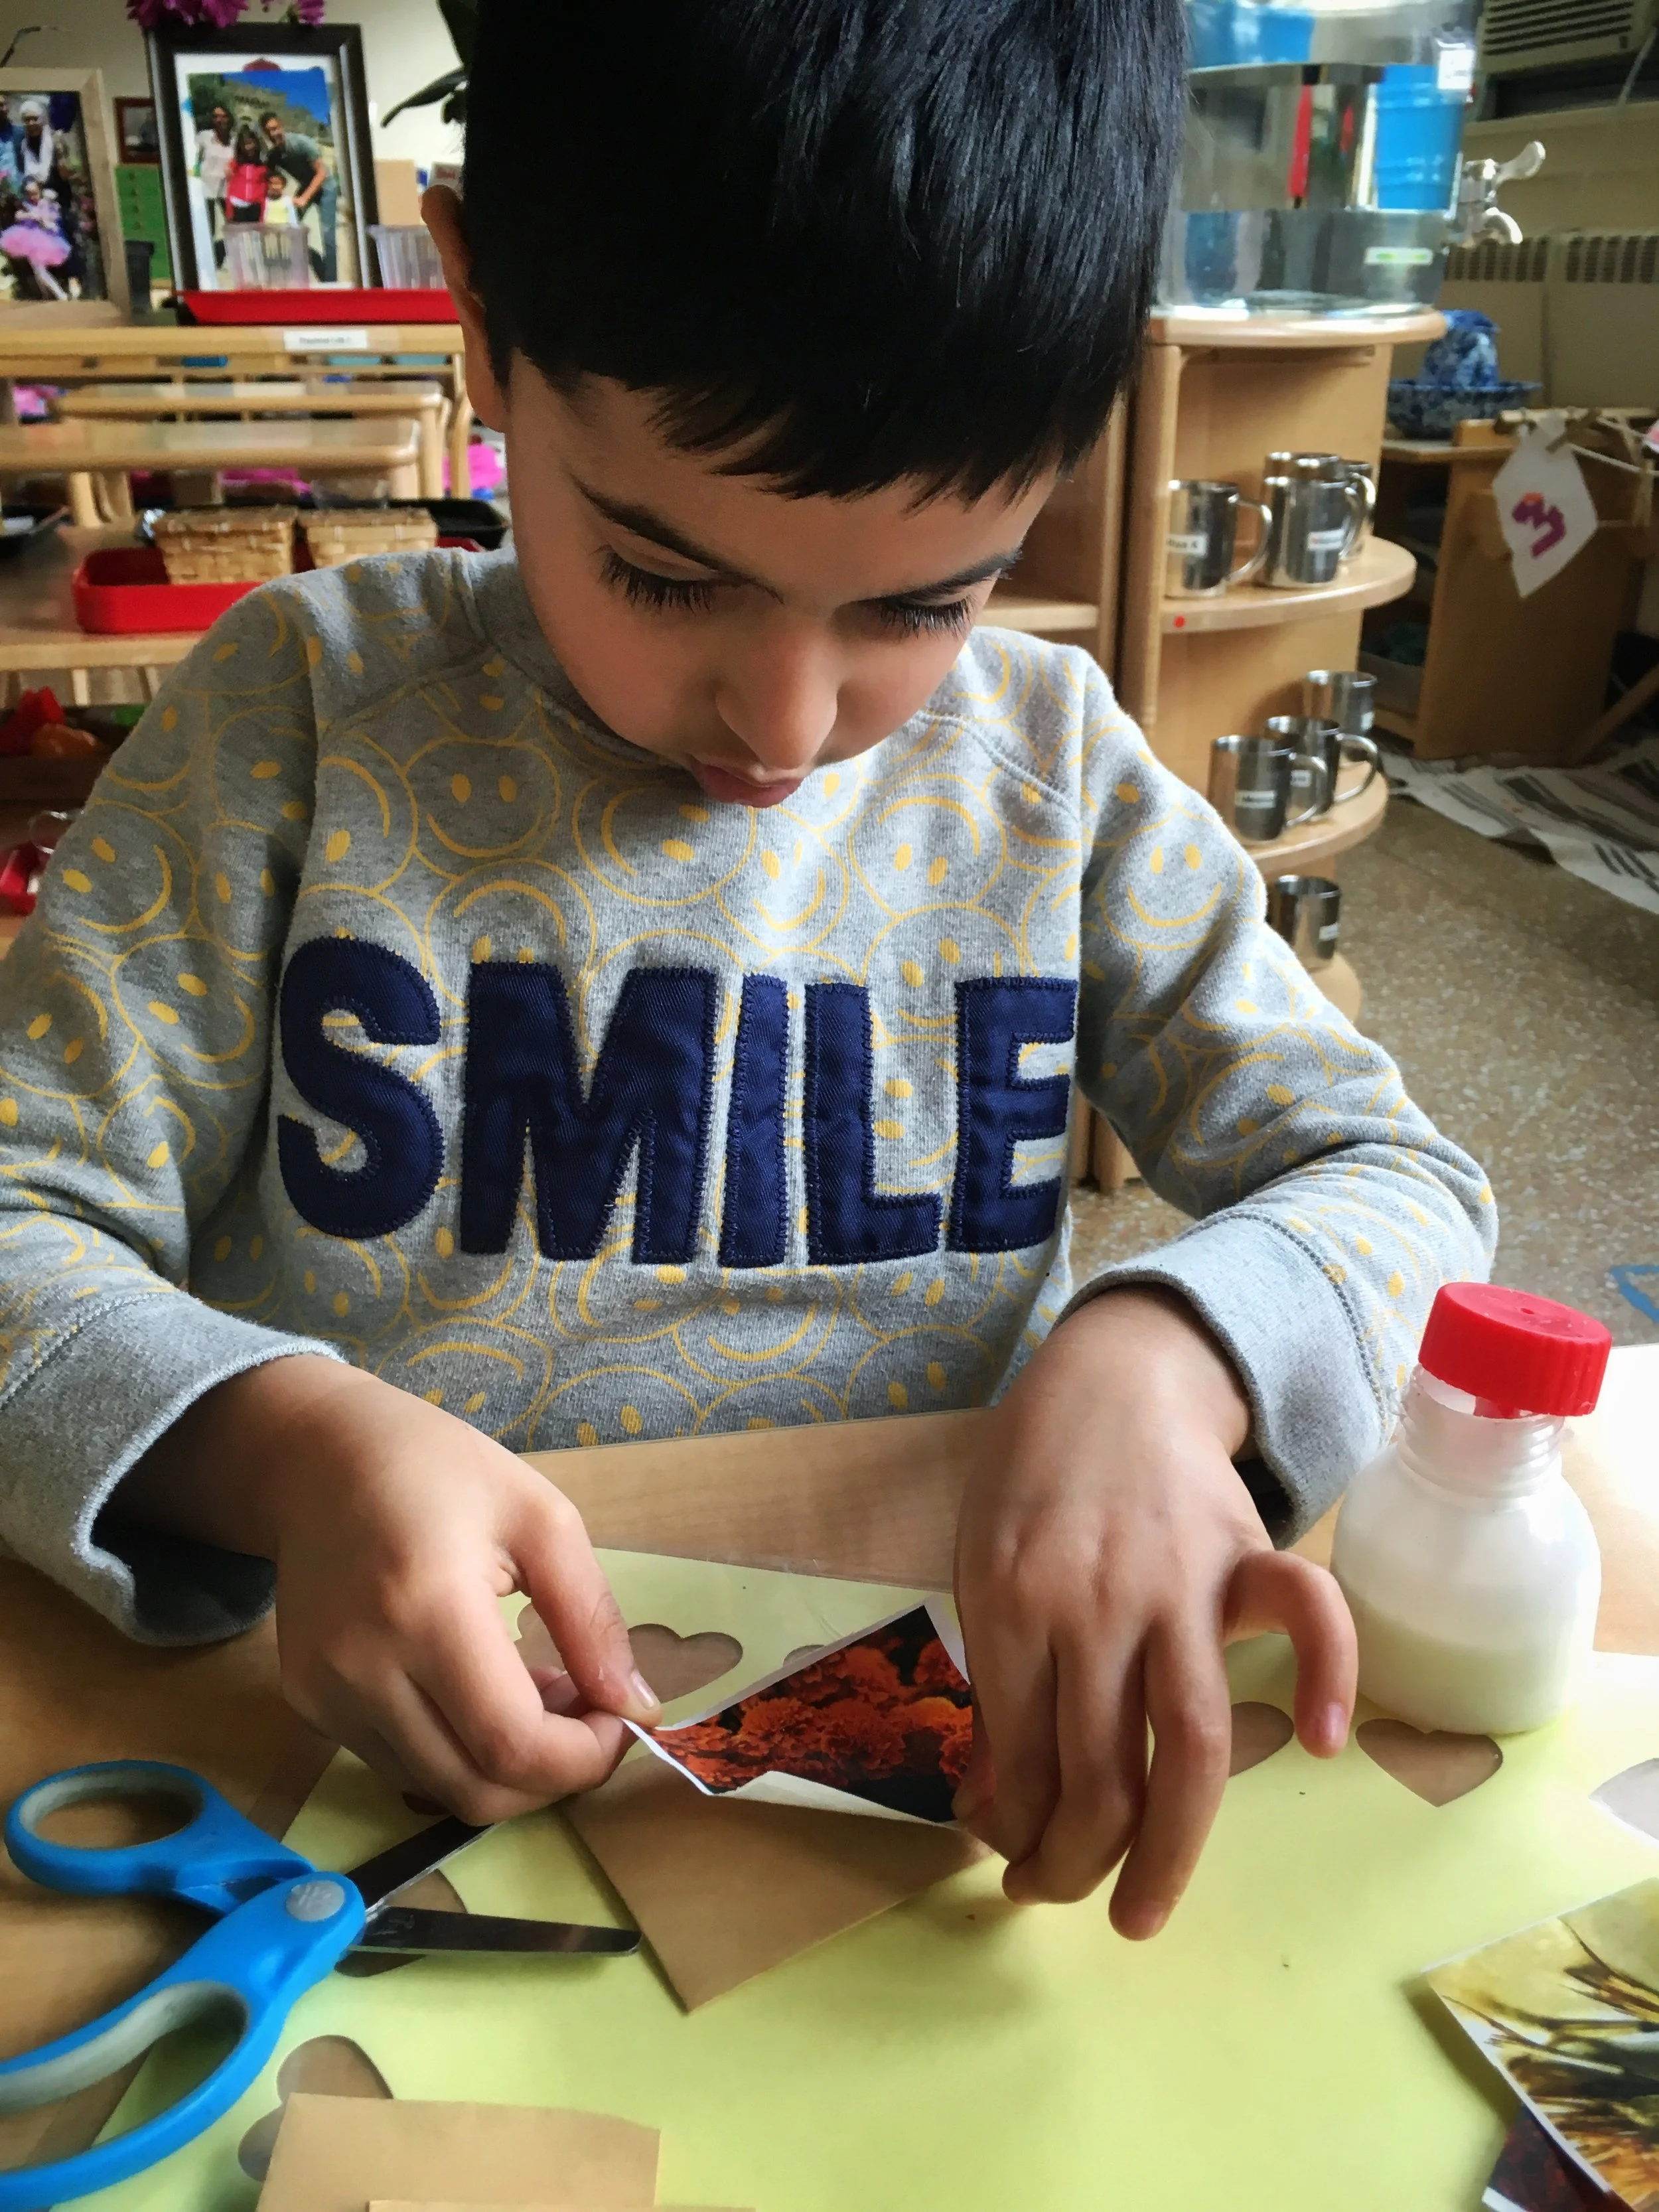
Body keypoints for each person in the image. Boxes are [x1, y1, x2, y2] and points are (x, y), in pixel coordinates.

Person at [0, 0, 1493, 1937]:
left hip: (883, 1820)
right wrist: (274, 1451)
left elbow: (1397, 1188)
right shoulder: (297, 720)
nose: (785, 727)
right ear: (482, 318)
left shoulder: (1053, 785)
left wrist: (1168, 1354)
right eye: (661, 569)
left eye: (919, 602)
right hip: (345, 1796)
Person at [259, 110, 337, 281]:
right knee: (289, 225)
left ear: (282, 126)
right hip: (306, 185)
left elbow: (322, 172)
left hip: (326, 188)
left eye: (275, 128)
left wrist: (304, 198)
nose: (273, 134)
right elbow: (264, 176)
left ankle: (332, 281)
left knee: (328, 234)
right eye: (269, 131)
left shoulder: (301, 143)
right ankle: (288, 266)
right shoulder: (274, 155)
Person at [0, 178, 70, 299]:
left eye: (35, 193)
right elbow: (18, 217)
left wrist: (45, 220)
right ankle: (51, 295)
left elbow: (53, 220)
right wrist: (31, 215)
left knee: (39, 269)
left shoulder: (47, 204)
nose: (32, 197)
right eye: (29, 194)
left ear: (40, 191)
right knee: (38, 269)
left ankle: (58, 294)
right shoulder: (25, 205)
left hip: (45, 240)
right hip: (29, 238)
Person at [194, 102, 234, 264]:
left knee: (233, 224)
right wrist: (193, 179)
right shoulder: (204, 136)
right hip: (205, 187)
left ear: (229, 118)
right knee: (207, 226)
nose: (219, 120)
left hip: (228, 189)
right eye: (216, 116)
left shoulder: (234, 140)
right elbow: (193, 160)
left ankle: (232, 255)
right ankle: (206, 260)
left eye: (223, 116)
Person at [223, 122, 268, 226]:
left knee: (255, 235)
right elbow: (231, 188)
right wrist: (229, 211)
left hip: (255, 206)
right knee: (240, 235)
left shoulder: (262, 166)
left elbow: (264, 190)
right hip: (238, 205)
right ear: (240, 146)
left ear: (256, 143)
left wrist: (263, 213)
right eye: (245, 144)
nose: (248, 147)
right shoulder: (235, 164)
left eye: (251, 143)